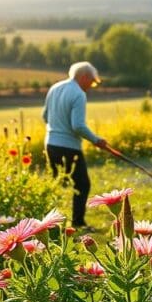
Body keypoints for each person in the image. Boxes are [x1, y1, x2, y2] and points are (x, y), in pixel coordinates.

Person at [43, 61, 108, 229]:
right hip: (69, 146)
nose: (91, 86)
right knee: (82, 184)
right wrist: (96, 140)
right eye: (92, 81)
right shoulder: (78, 94)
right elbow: (77, 125)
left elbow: (45, 116)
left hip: (50, 144)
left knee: (55, 184)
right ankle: (78, 222)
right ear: (84, 77)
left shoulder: (54, 88)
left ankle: (49, 223)